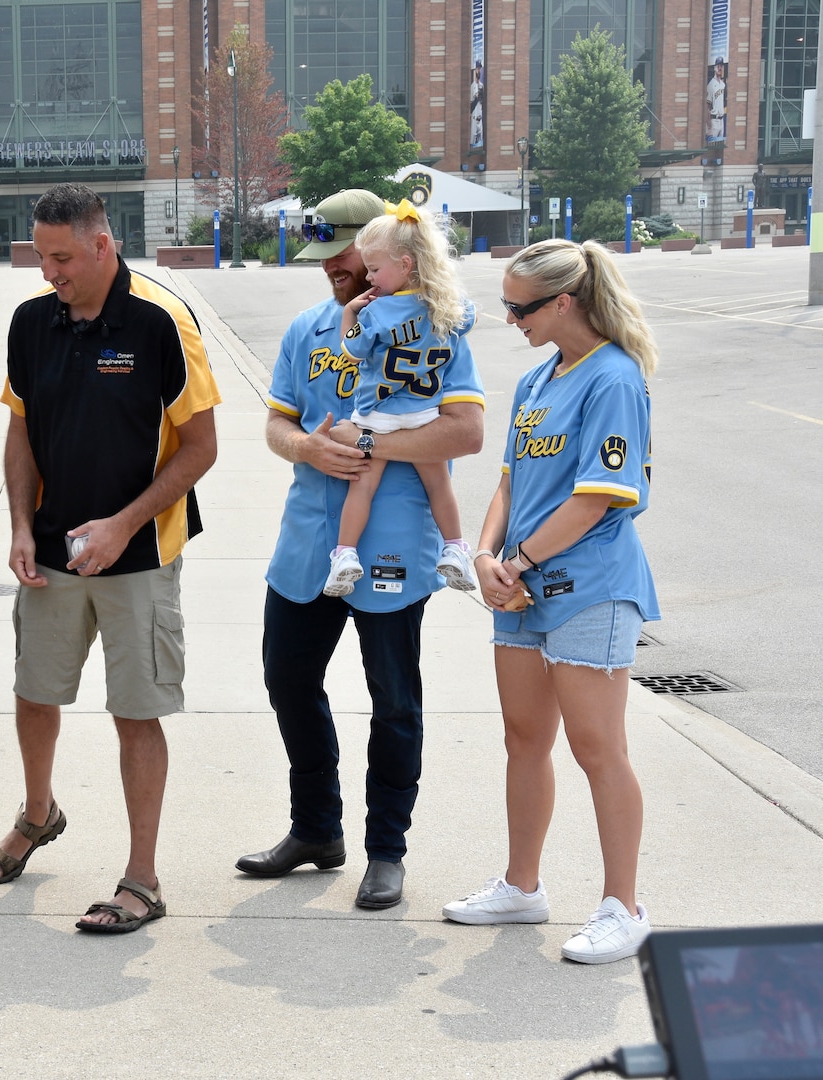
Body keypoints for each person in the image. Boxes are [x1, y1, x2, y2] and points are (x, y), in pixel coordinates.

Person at [0, 182, 220, 936]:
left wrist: (120, 524)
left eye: (62, 259)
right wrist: (20, 523)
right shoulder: (31, 322)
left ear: (102, 245)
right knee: (34, 692)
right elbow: (20, 429)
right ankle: (38, 815)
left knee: (136, 712)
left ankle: (142, 879)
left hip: (140, 555)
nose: (50, 273)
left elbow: (202, 449)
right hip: (49, 552)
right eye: (41, 258)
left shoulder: (161, 322)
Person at [235, 188, 484, 910]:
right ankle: (316, 830)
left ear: (381, 253)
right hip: (310, 542)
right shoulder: (311, 329)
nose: (333, 273)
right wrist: (308, 446)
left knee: (393, 702)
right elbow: (279, 426)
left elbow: (464, 433)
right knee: (288, 681)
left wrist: (373, 441)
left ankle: (386, 852)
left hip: (395, 546)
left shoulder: (435, 327)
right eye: (326, 262)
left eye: (343, 259)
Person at [442, 239, 659, 965]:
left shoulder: (614, 379)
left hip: (590, 588)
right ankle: (522, 886)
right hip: (521, 588)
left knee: (599, 748)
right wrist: (486, 556)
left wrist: (522, 560)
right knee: (524, 740)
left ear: (564, 302)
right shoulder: (539, 380)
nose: (509, 318)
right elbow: (509, 480)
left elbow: (600, 496)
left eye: (520, 306)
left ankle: (622, 907)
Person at [324, 199, 477, 598]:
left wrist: (350, 316)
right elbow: (468, 317)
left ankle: (344, 554)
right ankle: (456, 548)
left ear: (405, 264)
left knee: (363, 487)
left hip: (379, 416)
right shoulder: (447, 307)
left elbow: (350, 351)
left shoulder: (377, 312)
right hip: (425, 416)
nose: (370, 277)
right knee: (439, 486)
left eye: (374, 269)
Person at [706, 59, 727, 142]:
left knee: (721, 146)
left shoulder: (723, 84)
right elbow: (707, 108)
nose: (720, 68)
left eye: (721, 66)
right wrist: (709, 127)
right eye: (718, 66)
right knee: (711, 146)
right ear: (714, 68)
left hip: (721, 120)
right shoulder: (710, 85)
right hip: (713, 120)